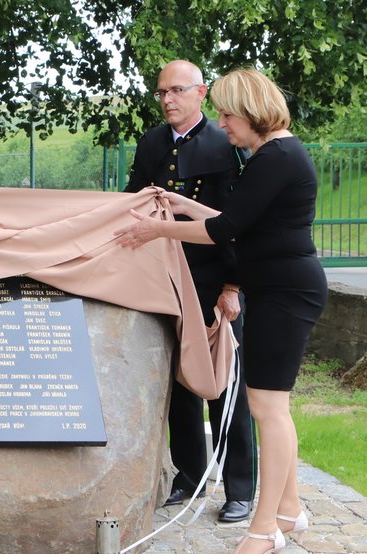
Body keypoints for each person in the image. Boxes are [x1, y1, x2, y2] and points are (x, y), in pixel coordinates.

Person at [114, 67, 327, 554]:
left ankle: (264, 528)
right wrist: (177, 203)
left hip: (284, 293)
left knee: (268, 410)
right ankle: (291, 510)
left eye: (229, 115)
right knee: (273, 407)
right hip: (279, 288)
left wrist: (156, 231)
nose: (224, 125)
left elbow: (225, 230)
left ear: (251, 113)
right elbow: (230, 219)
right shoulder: (271, 154)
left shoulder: (277, 157)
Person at [124, 60, 256, 524]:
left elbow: (238, 225)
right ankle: (187, 473)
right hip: (166, 280)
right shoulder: (152, 143)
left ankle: (239, 487)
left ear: (201, 93)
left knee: (224, 387)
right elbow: (132, 203)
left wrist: (233, 287)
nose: (167, 99)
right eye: (161, 92)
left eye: (177, 91)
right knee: (180, 382)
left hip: (215, 279)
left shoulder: (227, 145)